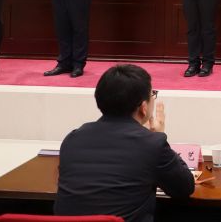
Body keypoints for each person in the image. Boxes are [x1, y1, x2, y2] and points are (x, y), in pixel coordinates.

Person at [55, 64, 195, 222]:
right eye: (152, 94)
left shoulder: (72, 140)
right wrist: (158, 135)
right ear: (143, 107)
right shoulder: (152, 144)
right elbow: (184, 188)